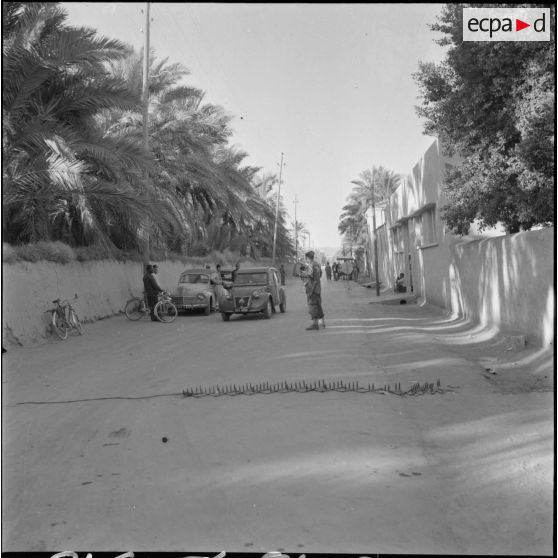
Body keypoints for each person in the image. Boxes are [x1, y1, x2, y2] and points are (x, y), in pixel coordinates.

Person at [300, 250, 325, 330]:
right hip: (318, 289)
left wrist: (310, 290)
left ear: (307, 258)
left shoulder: (310, 265)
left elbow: (311, 278)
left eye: (305, 258)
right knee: (318, 306)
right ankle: (322, 323)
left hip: (312, 289)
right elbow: (320, 275)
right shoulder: (317, 264)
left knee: (312, 306)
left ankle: (315, 324)